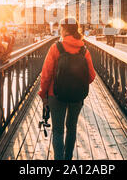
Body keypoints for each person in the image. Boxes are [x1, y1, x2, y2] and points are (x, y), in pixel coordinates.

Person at [38, 18, 96, 160]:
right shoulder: (84, 50)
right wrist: (78, 85)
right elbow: (92, 76)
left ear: (64, 30)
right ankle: (68, 158)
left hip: (55, 95)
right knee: (72, 128)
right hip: (77, 96)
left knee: (58, 131)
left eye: (61, 28)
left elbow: (46, 75)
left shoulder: (56, 48)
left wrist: (43, 95)